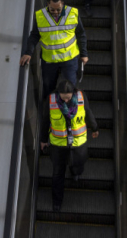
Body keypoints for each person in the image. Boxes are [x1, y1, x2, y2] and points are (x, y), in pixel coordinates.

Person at [40, 79, 99, 212]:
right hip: (58, 145)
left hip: (78, 143)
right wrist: (43, 140)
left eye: (68, 98)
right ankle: (57, 201)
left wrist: (94, 128)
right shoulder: (51, 100)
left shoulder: (81, 97)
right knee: (57, 174)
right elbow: (45, 120)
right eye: (63, 98)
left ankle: (76, 172)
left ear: (73, 93)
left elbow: (88, 112)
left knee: (78, 163)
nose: (65, 101)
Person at [19, 0, 88, 98]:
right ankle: (49, 109)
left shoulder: (73, 13)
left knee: (70, 88)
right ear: (47, 5)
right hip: (49, 60)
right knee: (48, 88)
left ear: (63, 4)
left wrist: (84, 54)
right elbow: (34, 36)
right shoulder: (40, 16)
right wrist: (28, 52)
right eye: (52, 10)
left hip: (69, 59)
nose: (55, 12)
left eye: (58, 10)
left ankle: (69, 111)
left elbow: (81, 35)